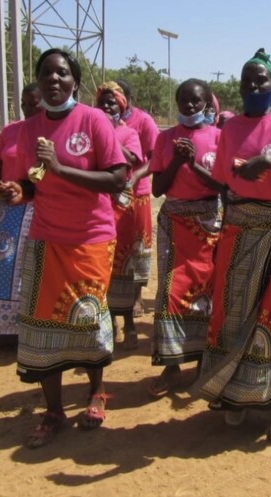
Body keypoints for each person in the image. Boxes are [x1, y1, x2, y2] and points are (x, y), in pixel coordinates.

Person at [0, 48, 129, 447]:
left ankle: (95, 392)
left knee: (87, 319)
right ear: (38, 82)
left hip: (91, 237)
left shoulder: (94, 120)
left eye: (62, 74)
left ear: (75, 81)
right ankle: (53, 411)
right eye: (46, 74)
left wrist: (61, 168)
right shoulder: (28, 128)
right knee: (39, 324)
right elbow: (33, 180)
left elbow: (117, 179)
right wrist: (17, 191)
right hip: (45, 237)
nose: (53, 80)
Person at [193, 48, 271, 444]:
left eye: (261, 79)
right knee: (234, 308)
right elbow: (223, 181)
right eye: (247, 79)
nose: (253, 85)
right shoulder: (228, 129)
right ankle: (235, 392)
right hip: (239, 224)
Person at [146, 78, 223, 397]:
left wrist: (193, 163)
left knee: (205, 292)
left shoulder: (219, 138)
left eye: (196, 101)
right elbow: (157, 189)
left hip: (207, 222)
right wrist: (177, 161)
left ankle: (203, 360)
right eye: (184, 101)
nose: (190, 107)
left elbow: (222, 186)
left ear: (206, 104)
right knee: (170, 291)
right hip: (174, 221)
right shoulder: (165, 139)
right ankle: (172, 362)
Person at [0, 83, 42, 347]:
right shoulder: (10, 131)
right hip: (7, 212)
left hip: (37, 208)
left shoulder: (51, 134)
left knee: (32, 268)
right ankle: (5, 331)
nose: (28, 108)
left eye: (34, 104)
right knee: (5, 265)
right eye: (24, 103)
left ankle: (31, 330)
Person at [95, 81, 146, 349]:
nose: (106, 106)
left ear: (121, 107)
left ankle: (128, 323)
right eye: (102, 102)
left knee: (123, 264)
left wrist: (109, 137)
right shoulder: (91, 130)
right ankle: (109, 322)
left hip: (123, 203)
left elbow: (131, 160)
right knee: (102, 264)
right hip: (100, 200)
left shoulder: (129, 133)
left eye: (112, 103)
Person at [115, 79, 159, 324]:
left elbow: (154, 159)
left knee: (138, 247)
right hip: (109, 194)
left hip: (138, 193)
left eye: (117, 100)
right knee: (114, 248)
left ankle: (137, 297)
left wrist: (136, 177)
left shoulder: (143, 122)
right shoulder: (99, 120)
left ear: (128, 100)